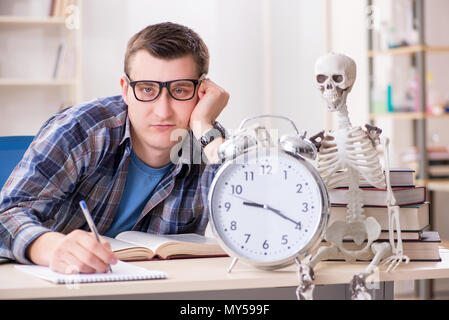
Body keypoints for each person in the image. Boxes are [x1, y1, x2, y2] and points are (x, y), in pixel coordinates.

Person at [0, 22, 229, 274]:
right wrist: (53, 248)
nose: (163, 111)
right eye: (146, 89)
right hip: (66, 283)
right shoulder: (81, 130)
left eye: (180, 90)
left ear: (202, 92)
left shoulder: (209, 141)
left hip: (160, 289)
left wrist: (204, 125)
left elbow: (263, 217)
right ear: (125, 90)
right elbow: (5, 216)